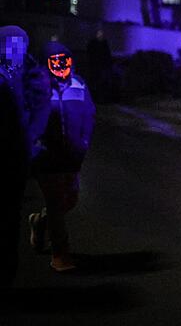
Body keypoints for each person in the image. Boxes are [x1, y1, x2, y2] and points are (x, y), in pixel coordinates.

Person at [29, 41, 95, 272]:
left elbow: (89, 114)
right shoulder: (37, 87)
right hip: (46, 157)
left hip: (72, 157)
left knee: (70, 200)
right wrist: (33, 142)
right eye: (54, 60)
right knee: (56, 204)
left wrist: (84, 140)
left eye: (64, 60)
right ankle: (60, 255)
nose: (60, 64)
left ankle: (40, 221)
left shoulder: (79, 85)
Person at [0, 25, 50, 287]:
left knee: (10, 215)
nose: (14, 49)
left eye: (20, 44)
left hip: (17, 154)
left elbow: (41, 109)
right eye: (9, 43)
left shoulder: (32, 76)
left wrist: (29, 139)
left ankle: (7, 272)